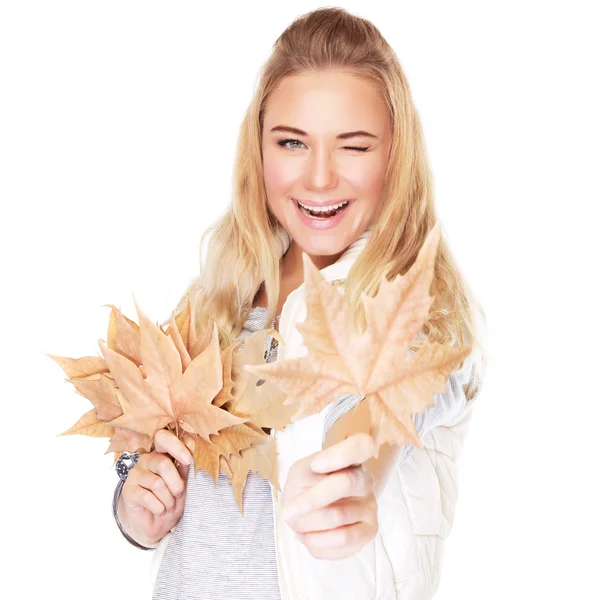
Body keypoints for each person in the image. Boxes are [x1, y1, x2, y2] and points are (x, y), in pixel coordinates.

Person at [113, 7, 487, 599]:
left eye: (354, 147)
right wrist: (137, 512)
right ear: (259, 150)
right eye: (292, 142)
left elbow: (397, 394)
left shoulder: (417, 307)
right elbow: (146, 473)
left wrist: (356, 475)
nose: (318, 179)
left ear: (397, 156)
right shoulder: (219, 299)